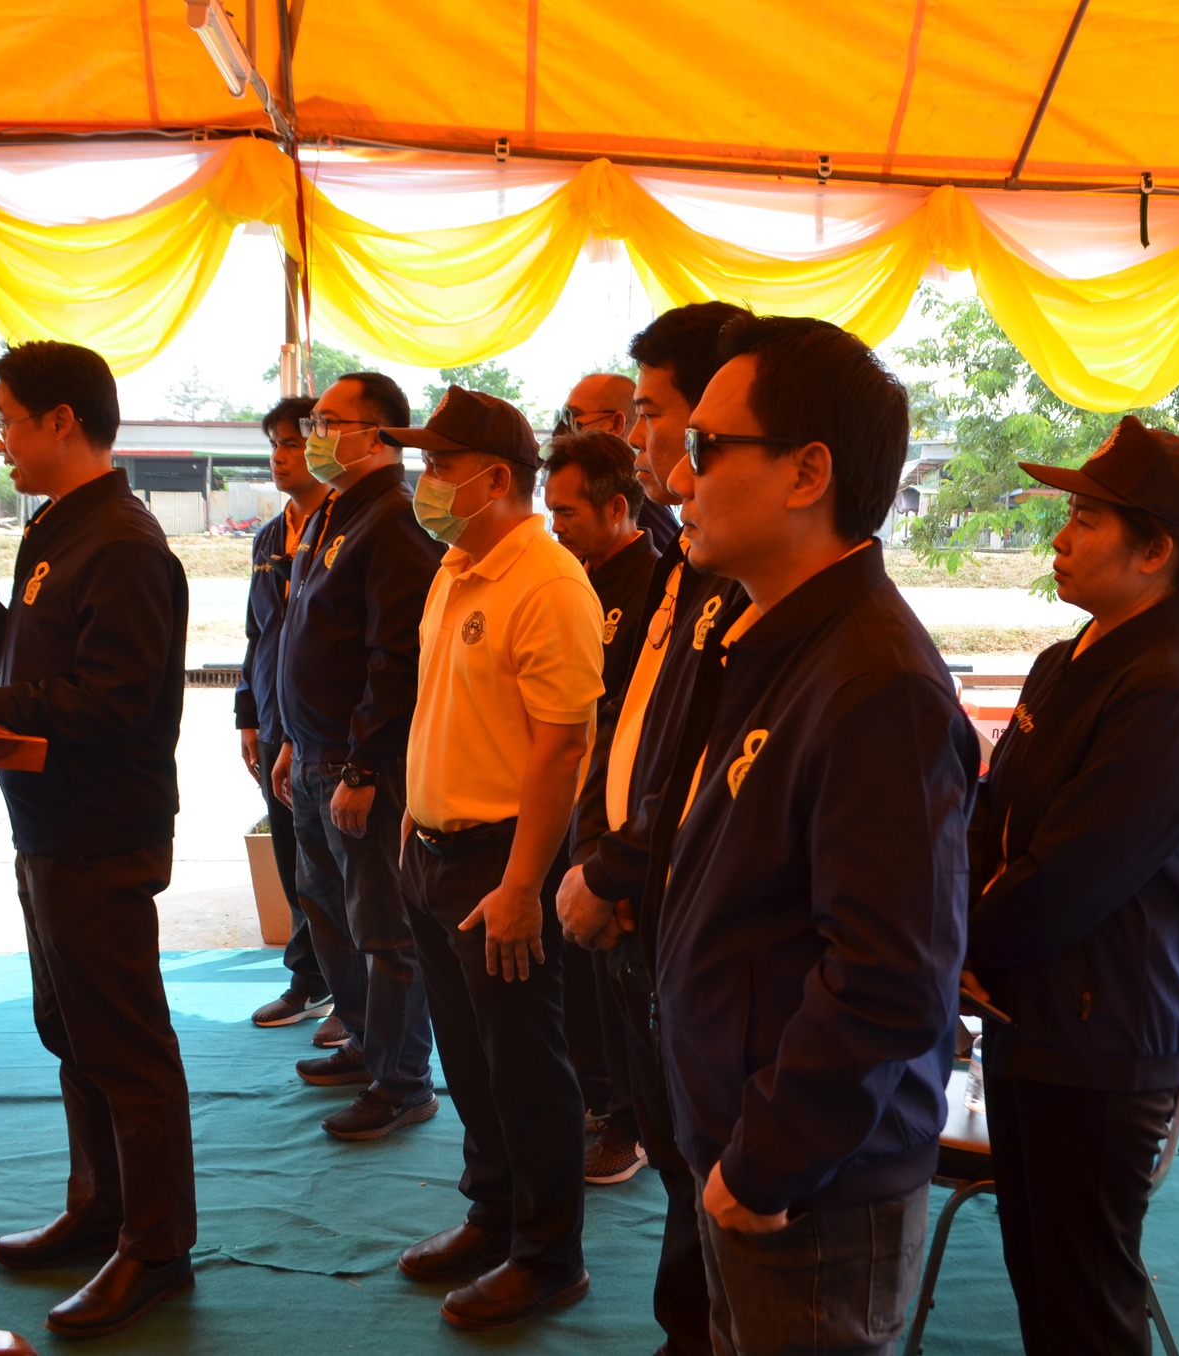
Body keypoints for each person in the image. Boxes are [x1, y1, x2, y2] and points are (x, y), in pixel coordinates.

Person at [648, 315, 971, 1356]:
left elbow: (889, 978)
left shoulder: (875, 683)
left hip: (811, 1186)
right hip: (756, 1146)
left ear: (806, 473)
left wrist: (764, 1162)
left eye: (705, 448)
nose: (677, 479)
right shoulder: (784, 641)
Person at [0, 341, 196, 1339]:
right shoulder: (57, 529)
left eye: (10, 420)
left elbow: (110, 705)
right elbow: (25, 662)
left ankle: (155, 1248)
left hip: (101, 829)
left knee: (124, 1043)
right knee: (73, 1031)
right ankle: (100, 1207)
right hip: (49, 824)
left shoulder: (125, 545)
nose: (0, 441)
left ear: (62, 421)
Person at [962, 416, 1179, 1355]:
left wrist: (958, 945)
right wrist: (962, 928)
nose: (1059, 537)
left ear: (1154, 551)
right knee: (1042, 1279)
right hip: (1032, 1012)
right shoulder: (1070, 660)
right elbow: (992, 815)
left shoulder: (1170, 690)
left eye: (1085, 520)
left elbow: (1067, 879)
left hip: (1099, 1041)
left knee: (1084, 1302)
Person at [386, 386, 604, 1331]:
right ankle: (494, 1214)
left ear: (496, 479)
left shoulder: (548, 582)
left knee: (524, 1063)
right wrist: (415, 815)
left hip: (502, 860)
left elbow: (563, 746)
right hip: (433, 851)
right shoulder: (455, 566)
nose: (425, 480)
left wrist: (522, 884)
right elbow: (445, 704)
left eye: (439, 465)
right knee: (470, 1059)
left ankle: (549, 1256)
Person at [553, 298, 745, 1356]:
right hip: (637, 909)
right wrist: (599, 852)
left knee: (705, 1175)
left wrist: (620, 870)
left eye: (652, 412)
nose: (638, 438)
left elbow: (705, 776)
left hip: (673, 921)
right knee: (677, 1163)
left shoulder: (747, 589)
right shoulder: (688, 561)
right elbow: (624, 730)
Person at [267, 371, 442, 1140]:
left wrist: (365, 767)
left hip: (356, 764)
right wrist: (292, 739)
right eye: (314, 422)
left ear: (379, 434)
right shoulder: (333, 512)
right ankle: (367, 1044)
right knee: (328, 914)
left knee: (383, 929)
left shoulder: (394, 518)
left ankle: (403, 1081)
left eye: (329, 422)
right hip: (312, 754)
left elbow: (392, 659)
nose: (314, 436)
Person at [541, 429, 660, 1186]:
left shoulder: (654, 584)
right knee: (579, 978)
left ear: (617, 507)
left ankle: (631, 1122)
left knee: (622, 987)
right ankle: (596, 1096)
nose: (556, 526)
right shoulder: (569, 578)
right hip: (571, 804)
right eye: (550, 511)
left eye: (569, 513)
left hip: (620, 821)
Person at [237, 395, 342, 1046]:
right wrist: (248, 715)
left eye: (294, 443)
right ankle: (310, 978)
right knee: (294, 864)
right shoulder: (269, 536)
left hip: (329, 734)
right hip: (277, 727)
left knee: (340, 874)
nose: (280, 456)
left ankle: (357, 1000)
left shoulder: (345, 530)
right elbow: (257, 634)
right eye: (273, 444)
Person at [559, 371, 679, 555]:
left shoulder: (636, 489)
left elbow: (668, 561)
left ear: (616, 424)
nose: (566, 428)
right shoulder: (600, 483)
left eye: (576, 416)